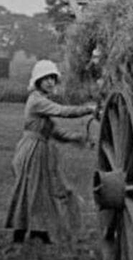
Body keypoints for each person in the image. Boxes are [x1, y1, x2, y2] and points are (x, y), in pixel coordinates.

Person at [4, 60, 95, 245]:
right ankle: (27, 234)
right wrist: (88, 109)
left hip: (39, 148)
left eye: (53, 78)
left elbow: (55, 132)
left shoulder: (41, 102)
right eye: (45, 78)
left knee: (38, 192)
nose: (50, 82)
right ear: (37, 81)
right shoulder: (37, 100)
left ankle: (36, 233)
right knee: (32, 191)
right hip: (32, 150)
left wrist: (78, 138)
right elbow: (62, 111)